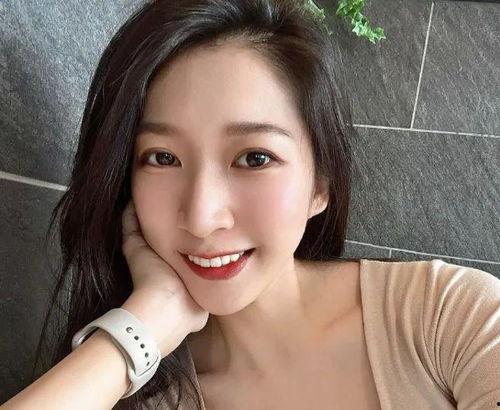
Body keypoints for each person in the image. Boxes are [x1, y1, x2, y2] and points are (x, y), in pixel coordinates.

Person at [3, 0, 499, 409]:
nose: (202, 217)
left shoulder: (451, 320)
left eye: (255, 158)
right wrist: (143, 328)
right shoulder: (144, 393)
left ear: (321, 184)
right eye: (162, 157)